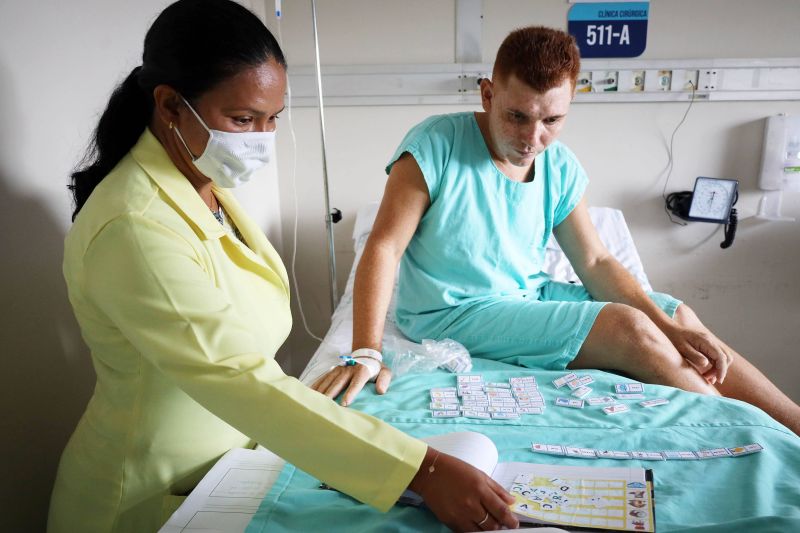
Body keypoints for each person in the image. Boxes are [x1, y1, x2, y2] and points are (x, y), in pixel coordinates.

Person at [47, 2, 519, 532]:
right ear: (171, 105)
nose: (260, 139)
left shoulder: (204, 187)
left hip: (230, 463)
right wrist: (423, 469)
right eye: (243, 119)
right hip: (147, 497)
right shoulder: (133, 226)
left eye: (273, 119)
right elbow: (236, 376)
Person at [312, 26, 800, 436]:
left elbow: (595, 263)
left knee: (676, 313)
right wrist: (366, 352)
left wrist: (669, 327)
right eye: (516, 116)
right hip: (452, 312)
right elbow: (383, 247)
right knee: (629, 327)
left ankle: (793, 425)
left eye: (552, 120)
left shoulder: (560, 167)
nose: (532, 139)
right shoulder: (434, 145)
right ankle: (759, 438)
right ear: (487, 94)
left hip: (526, 295)